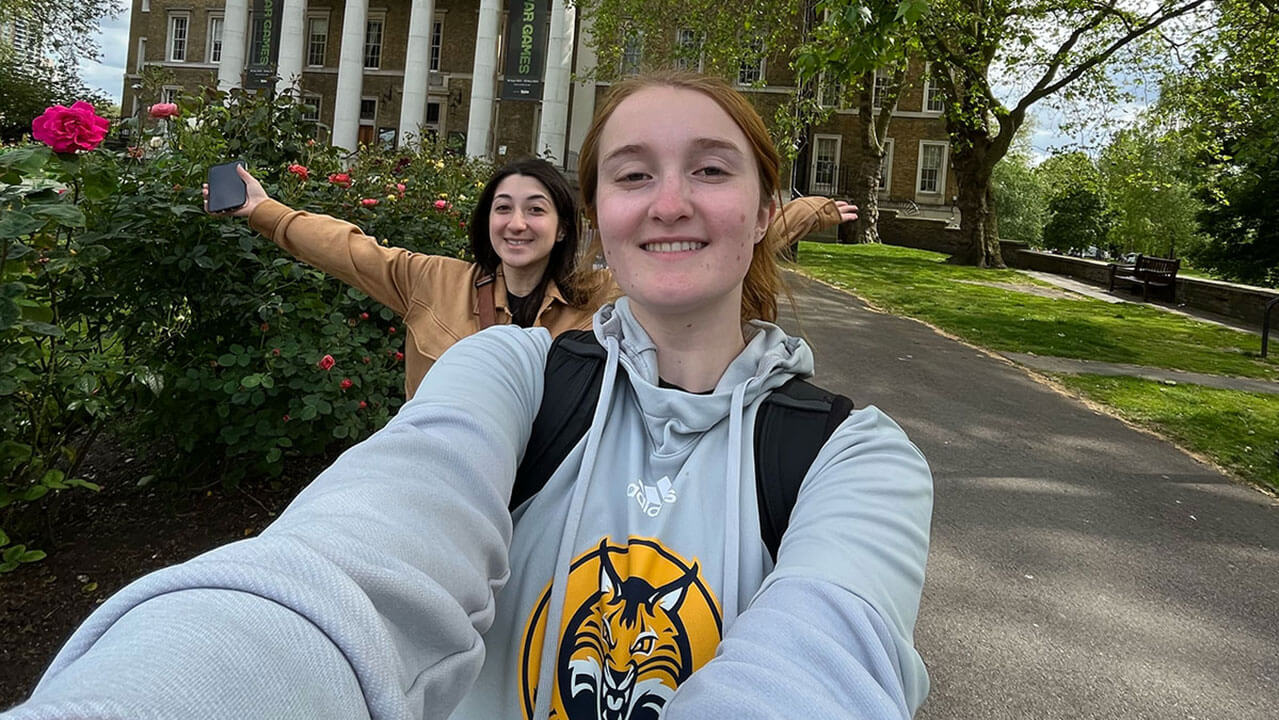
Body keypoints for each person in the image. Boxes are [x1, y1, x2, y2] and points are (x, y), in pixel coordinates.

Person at [6, 72, 930, 720]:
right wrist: (257, 206)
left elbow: (826, 668)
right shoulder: (493, 349)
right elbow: (366, 545)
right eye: (635, 173)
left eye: (713, 170)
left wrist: (819, 212)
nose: (670, 201)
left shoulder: (858, 458)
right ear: (605, 214)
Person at [206, 158, 856, 398]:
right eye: (503, 208)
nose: (517, 223)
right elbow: (348, 249)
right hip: (442, 497)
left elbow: (704, 272)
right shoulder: (433, 282)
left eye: (536, 209)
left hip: (555, 505)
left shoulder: (601, 301)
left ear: (563, 228)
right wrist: (263, 210)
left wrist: (798, 216)